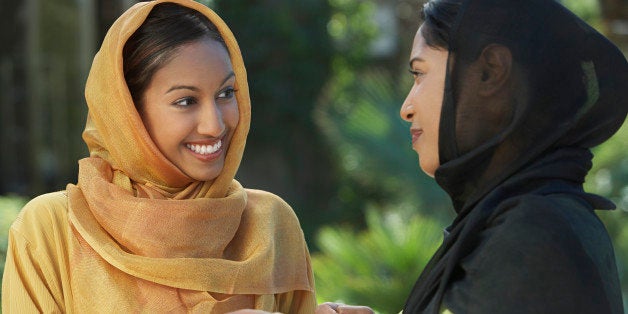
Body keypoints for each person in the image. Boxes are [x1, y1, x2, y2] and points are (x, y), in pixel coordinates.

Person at [1, 1, 316, 312]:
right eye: (185, 101)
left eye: (225, 93)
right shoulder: (53, 231)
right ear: (128, 113)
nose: (215, 125)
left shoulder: (270, 226)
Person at [320, 0, 628, 313]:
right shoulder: (524, 219)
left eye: (419, 73)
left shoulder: (533, 235)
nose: (406, 108)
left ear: (489, 72)